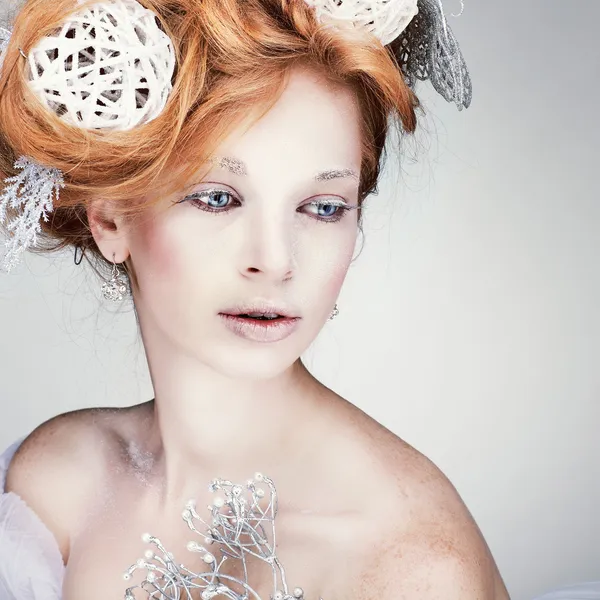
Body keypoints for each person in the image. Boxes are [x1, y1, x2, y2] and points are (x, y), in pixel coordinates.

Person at [0, 0, 510, 598]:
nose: (275, 260)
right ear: (110, 218)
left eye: (323, 208)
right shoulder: (59, 480)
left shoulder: (407, 566)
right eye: (217, 197)